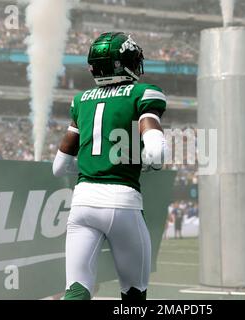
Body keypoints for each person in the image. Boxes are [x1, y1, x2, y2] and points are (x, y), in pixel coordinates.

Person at [52, 32, 167, 300]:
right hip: (121, 203)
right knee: (134, 293)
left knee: (77, 290)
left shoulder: (81, 100)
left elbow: (59, 167)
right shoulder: (143, 93)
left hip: (82, 204)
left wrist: (93, 165)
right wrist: (150, 162)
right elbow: (157, 150)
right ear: (124, 62)